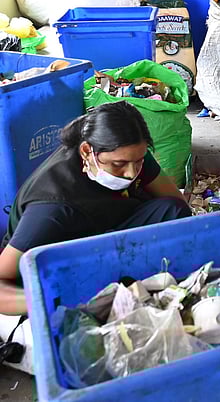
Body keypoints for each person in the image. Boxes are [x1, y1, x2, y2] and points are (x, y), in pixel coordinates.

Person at [0, 101, 192, 316]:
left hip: (104, 231)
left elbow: (177, 205)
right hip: (66, 260)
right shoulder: (51, 209)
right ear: (86, 151)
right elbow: (2, 279)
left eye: (138, 161)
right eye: (119, 165)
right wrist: (53, 301)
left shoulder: (126, 153)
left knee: (174, 211)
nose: (131, 173)